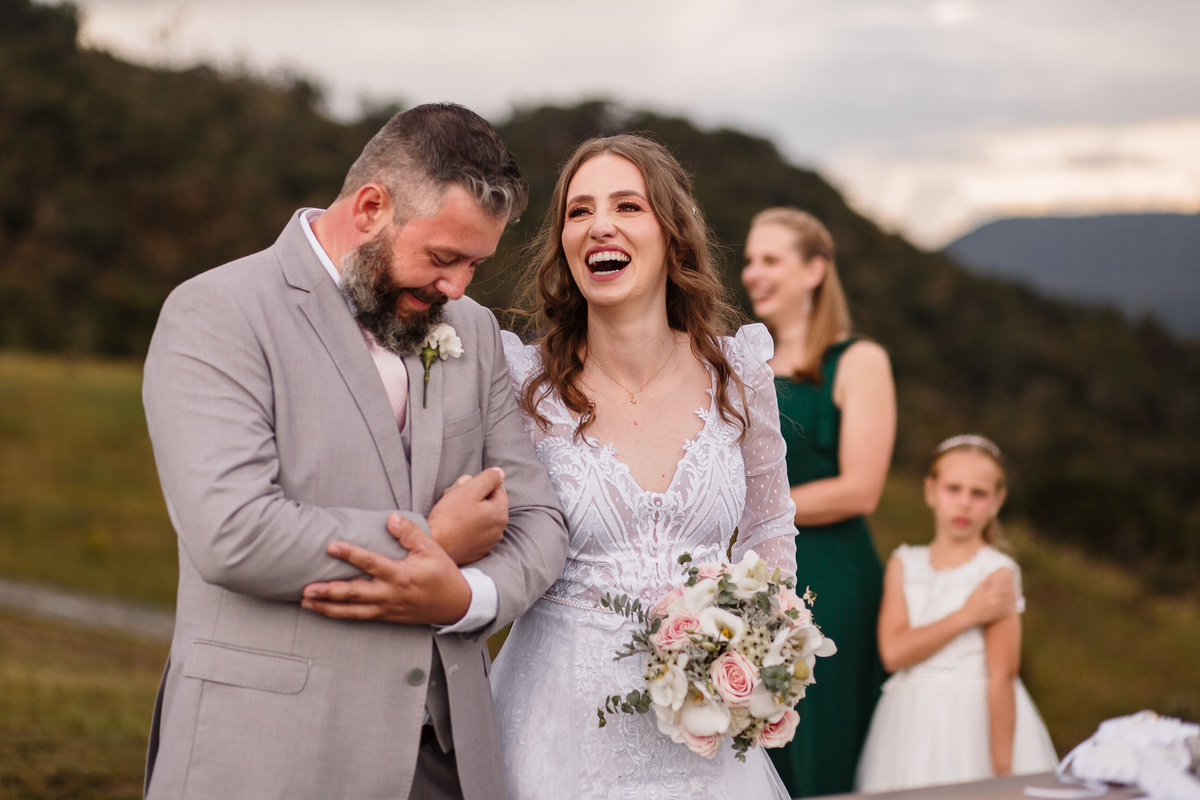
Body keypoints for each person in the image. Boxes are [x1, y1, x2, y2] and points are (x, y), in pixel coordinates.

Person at [141, 103, 569, 800]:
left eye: (474, 264)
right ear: (371, 208)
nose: (457, 288)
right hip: (269, 756)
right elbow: (231, 533)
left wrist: (466, 595)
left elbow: (539, 521)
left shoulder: (472, 330)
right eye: (443, 258)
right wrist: (434, 540)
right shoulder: (219, 311)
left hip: (444, 764)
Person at [488, 134, 798, 799]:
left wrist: (762, 643)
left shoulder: (738, 372)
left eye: (627, 206)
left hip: (704, 743)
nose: (600, 225)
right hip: (556, 730)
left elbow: (770, 525)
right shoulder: (520, 382)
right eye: (579, 211)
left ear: (672, 235)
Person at [740, 207, 896, 796]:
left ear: (814, 270)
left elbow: (861, 488)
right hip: (756, 580)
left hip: (831, 579)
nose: (753, 273)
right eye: (750, 260)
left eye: (770, 259)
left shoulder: (857, 361)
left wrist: (753, 515)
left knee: (821, 742)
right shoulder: (744, 365)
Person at [855, 435, 1058, 792]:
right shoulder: (904, 564)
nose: (964, 503)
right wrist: (968, 614)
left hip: (972, 720)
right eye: (953, 489)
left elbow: (1003, 676)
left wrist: (1002, 771)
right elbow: (894, 653)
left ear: (997, 501)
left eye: (978, 494)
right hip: (908, 721)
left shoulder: (996, 572)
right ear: (931, 491)